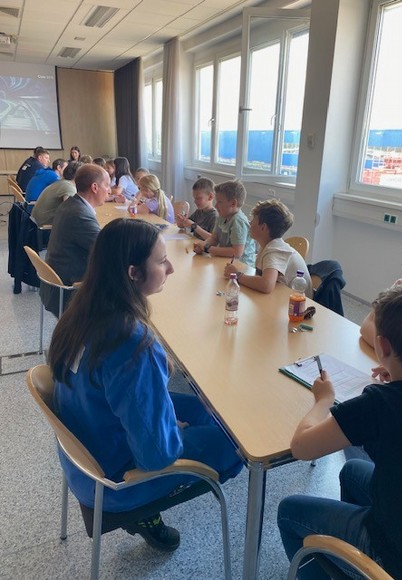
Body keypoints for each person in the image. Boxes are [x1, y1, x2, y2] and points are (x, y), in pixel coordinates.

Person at [48, 218, 243, 551]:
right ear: (133, 273)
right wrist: (171, 431)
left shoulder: (80, 311)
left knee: (208, 410)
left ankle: (172, 454)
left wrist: (164, 420)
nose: (170, 268)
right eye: (161, 261)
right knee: (236, 441)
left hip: (85, 452)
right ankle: (149, 507)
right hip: (115, 482)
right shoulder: (131, 342)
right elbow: (157, 456)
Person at [277, 284, 402, 580]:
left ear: (382, 347)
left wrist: (323, 400)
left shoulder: (379, 403)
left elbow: (301, 447)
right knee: (352, 471)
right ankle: (348, 565)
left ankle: (364, 560)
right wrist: (398, 373)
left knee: (289, 511)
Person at [40, 164, 110, 316]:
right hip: (69, 291)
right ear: (95, 187)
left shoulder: (71, 204)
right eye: (107, 185)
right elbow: (108, 250)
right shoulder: (80, 214)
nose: (109, 191)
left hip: (56, 285)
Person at [224, 199, 311, 294]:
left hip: (297, 301)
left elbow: (266, 285)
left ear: (263, 227)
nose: (250, 223)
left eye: (253, 220)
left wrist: (237, 275)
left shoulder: (274, 250)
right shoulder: (267, 246)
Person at [193, 180, 255, 267]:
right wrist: (203, 246)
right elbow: (214, 238)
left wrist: (208, 248)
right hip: (225, 261)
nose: (216, 206)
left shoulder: (238, 221)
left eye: (219, 202)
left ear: (233, 203)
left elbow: (237, 252)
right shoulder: (222, 216)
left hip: (241, 266)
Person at [32, 161, 82, 227]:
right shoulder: (68, 187)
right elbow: (71, 213)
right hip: (45, 228)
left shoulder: (62, 183)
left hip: (36, 224)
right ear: (78, 176)